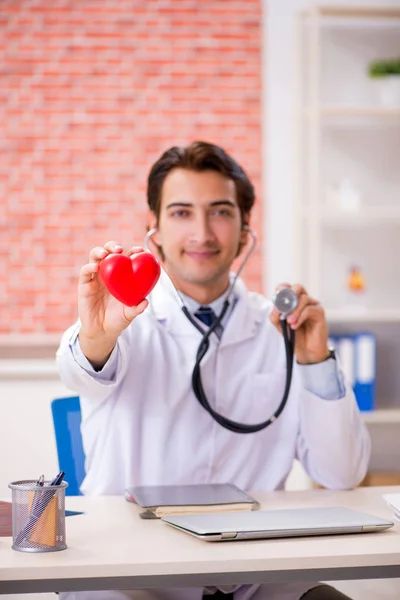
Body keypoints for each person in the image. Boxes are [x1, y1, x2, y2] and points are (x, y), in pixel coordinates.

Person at [57, 141, 371, 600]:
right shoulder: (121, 324)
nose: (202, 232)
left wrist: (314, 361)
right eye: (181, 212)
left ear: (245, 231)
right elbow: (81, 369)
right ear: (155, 230)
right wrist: (100, 335)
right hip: (131, 575)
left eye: (220, 212)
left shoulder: (279, 329)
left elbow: (342, 474)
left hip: (256, 575)